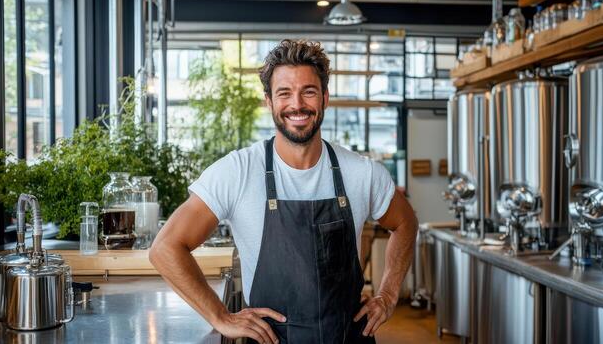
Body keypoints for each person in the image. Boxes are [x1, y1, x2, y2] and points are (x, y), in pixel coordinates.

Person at [150, 39, 418, 343]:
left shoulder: (361, 173)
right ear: (269, 101)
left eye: (309, 92)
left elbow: (405, 222)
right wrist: (219, 316)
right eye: (284, 93)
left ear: (325, 98)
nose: (297, 105)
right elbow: (165, 247)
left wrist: (388, 294)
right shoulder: (238, 172)